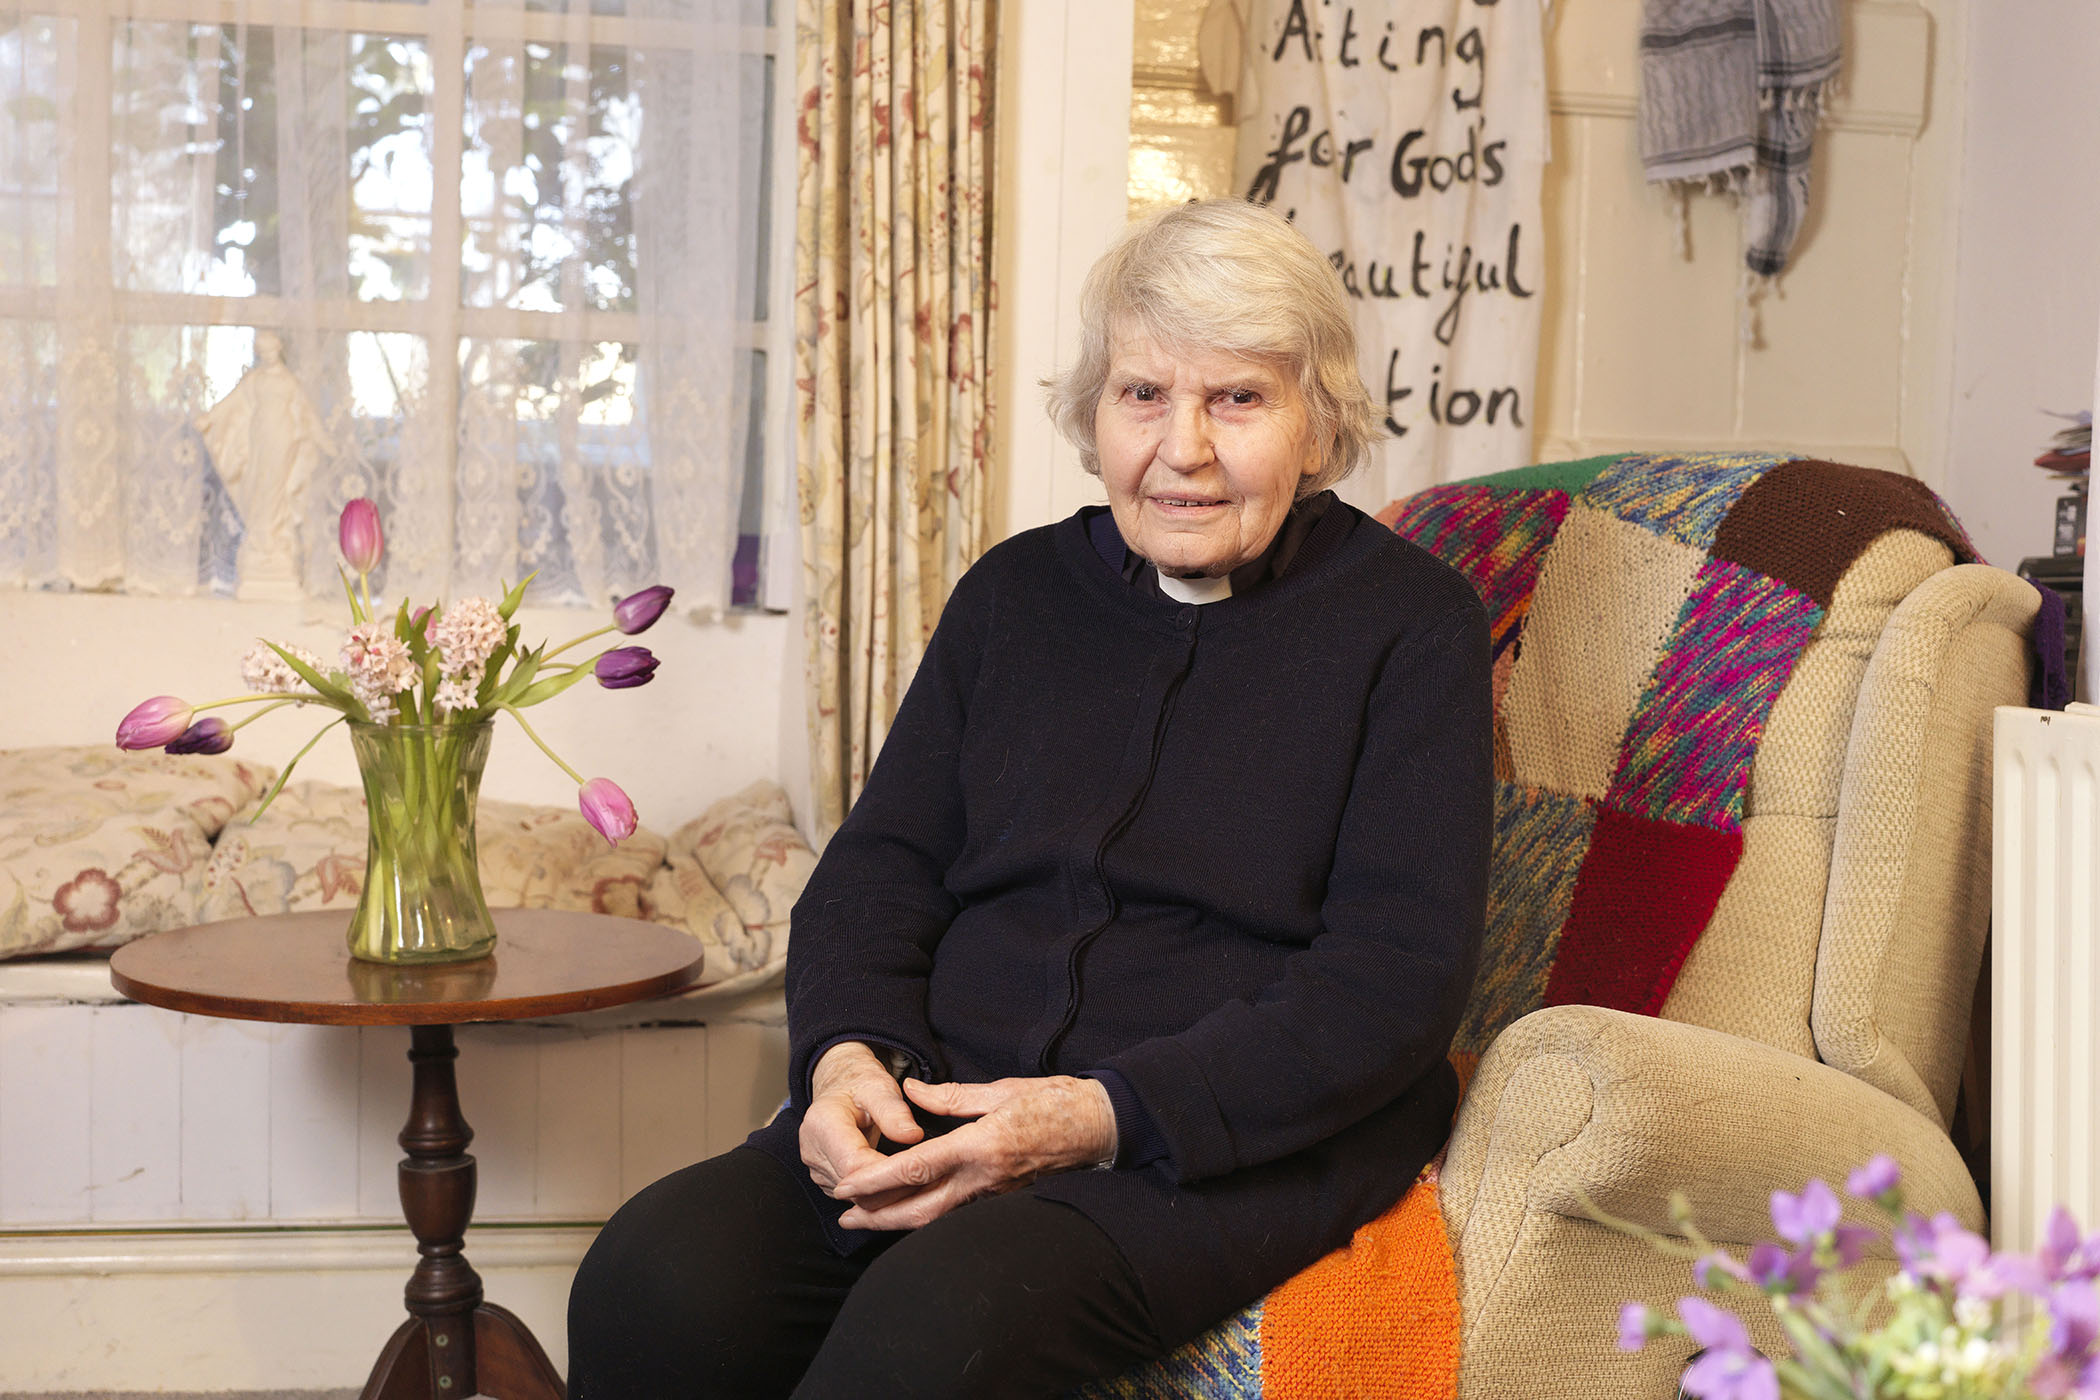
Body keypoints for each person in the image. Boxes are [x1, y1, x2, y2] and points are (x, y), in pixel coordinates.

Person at [566, 198, 1493, 1399]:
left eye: (1239, 399)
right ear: (1094, 412)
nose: (1185, 448)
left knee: (938, 1328)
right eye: (1144, 393)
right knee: (652, 1274)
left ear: (1318, 421)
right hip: (940, 1090)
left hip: (1202, 1145)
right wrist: (846, 1059)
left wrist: (1097, 1115)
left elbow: (1393, 980)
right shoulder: (1016, 595)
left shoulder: (1411, 626)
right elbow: (881, 865)